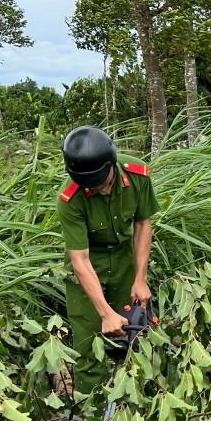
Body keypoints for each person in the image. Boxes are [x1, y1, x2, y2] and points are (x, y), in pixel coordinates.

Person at [57, 126, 159, 399]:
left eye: (101, 182)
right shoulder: (70, 197)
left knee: (135, 334)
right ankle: (91, 416)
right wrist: (104, 313)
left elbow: (142, 224)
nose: (97, 189)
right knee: (89, 348)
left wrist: (140, 279)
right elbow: (79, 259)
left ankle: (137, 404)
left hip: (126, 259)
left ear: (111, 165)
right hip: (89, 269)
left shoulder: (137, 175)